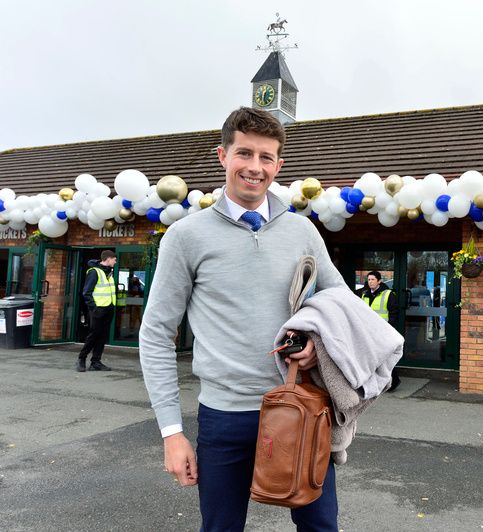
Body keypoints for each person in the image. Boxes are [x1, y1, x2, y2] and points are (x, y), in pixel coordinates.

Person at [139, 107, 348, 531]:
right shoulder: (186, 236)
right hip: (224, 416)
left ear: (279, 165)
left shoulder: (303, 232)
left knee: (322, 528)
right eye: (245, 154)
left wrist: (317, 341)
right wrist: (171, 432)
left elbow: (339, 300)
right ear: (223, 156)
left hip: (300, 408)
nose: (255, 167)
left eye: (266, 157)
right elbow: (157, 333)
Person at [356, 271, 401, 391]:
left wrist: (390, 330)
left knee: (383, 358)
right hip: (367, 332)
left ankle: (394, 381)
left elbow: (394, 314)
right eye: (369, 279)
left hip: (382, 332)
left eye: (372, 279)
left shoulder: (388, 294)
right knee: (371, 358)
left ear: (379, 281)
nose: (370, 282)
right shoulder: (364, 294)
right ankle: (374, 384)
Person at [76, 249, 116, 372]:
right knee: (93, 335)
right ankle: (81, 359)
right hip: (98, 310)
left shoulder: (109, 272)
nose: (115, 261)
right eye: (114, 259)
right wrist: (94, 308)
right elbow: (86, 292)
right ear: (108, 259)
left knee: (102, 336)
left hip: (108, 308)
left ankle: (96, 362)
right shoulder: (94, 272)